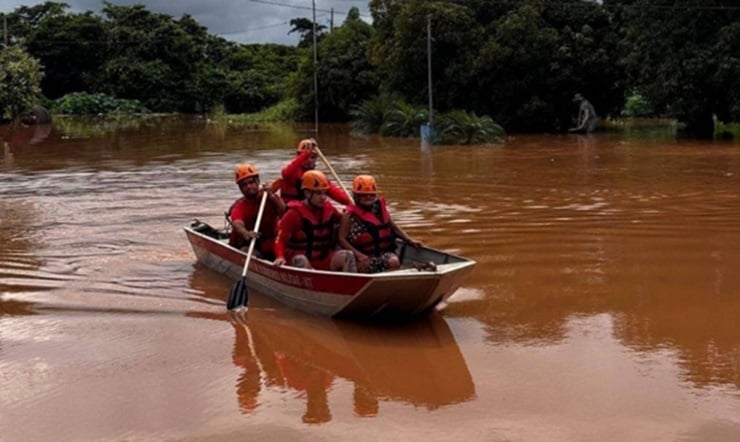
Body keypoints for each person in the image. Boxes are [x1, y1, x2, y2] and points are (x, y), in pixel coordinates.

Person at [273, 170, 356, 272]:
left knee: (348, 256)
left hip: (323, 258)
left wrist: (350, 214)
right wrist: (280, 256)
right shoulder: (293, 214)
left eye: (325, 193)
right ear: (307, 193)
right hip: (302, 259)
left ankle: (346, 284)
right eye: (318, 193)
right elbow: (280, 239)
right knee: (300, 260)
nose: (323, 197)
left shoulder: (329, 209)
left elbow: (344, 219)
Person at [337, 175, 421, 273]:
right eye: (363, 195)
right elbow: (341, 239)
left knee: (393, 261)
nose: (368, 197)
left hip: (383, 253)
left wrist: (409, 240)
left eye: (371, 195)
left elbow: (393, 227)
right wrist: (358, 255)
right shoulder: (348, 215)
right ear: (356, 196)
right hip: (361, 256)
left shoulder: (380, 210)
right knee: (378, 264)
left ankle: (389, 281)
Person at [228, 163, 286, 260]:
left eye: (251, 182)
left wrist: (272, 197)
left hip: (273, 244)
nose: (248, 187)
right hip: (252, 246)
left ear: (258, 181)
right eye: (244, 185)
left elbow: (284, 213)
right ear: (240, 188)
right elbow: (237, 224)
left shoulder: (269, 197)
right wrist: (246, 233)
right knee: (245, 252)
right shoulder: (239, 206)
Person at [278, 138, 352, 205]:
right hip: (290, 210)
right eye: (307, 157)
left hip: (309, 210)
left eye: (312, 157)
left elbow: (336, 193)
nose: (309, 160)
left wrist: (351, 202)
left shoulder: (317, 177)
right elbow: (286, 173)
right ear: (299, 156)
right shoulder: (292, 173)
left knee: (328, 207)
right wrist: (306, 154)